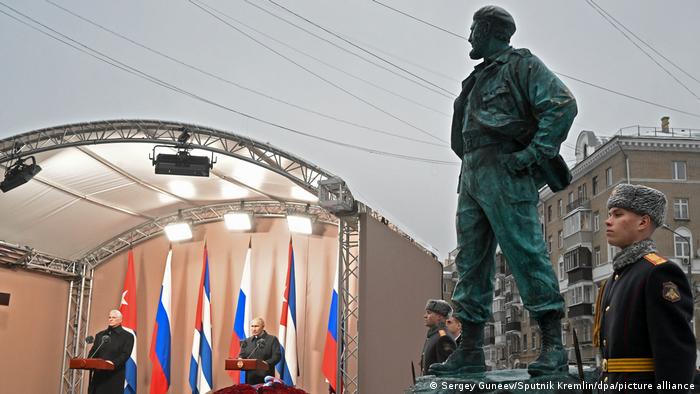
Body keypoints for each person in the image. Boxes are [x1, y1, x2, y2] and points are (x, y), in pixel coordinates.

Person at [430, 5, 577, 377]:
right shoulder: (475, 79)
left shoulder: (521, 65)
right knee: (471, 263)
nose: (469, 37)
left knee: (526, 252)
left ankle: (552, 346)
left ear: (492, 30)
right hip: (474, 172)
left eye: (474, 30)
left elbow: (561, 105)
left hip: (505, 168)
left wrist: (534, 153)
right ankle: (471, 349)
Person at [594, 184, 695, 389]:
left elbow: (675, 354)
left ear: (643, 221)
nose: (608, 221)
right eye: (609, 214)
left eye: (617, 214)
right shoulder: (614, 279)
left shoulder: (658, 272)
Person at [87, 310, 135, 394]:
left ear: (120, 320)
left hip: (114, 376)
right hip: (98, 377)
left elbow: (125, 354)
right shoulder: (100, 335)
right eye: (109, 317)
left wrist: (113, 363)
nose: (111, 319)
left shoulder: (127, 336)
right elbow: (94, 351)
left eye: (114, 317)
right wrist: (89, 361)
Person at [238, 317, 282, 385]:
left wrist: (265, 363)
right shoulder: (246, 341)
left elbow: (277, 356)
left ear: (263, 327)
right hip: (250, 379)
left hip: (266, 378)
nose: (253, 329)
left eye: (256, 326)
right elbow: (242, 355)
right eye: (252, 326)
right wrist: (240, 359)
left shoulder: (272, 339)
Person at [421, 299, 456, 376]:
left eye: (429, 313)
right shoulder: (433, 335)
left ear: (439, 317)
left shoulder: (443, 338)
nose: (425, 316)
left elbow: (446, 373)